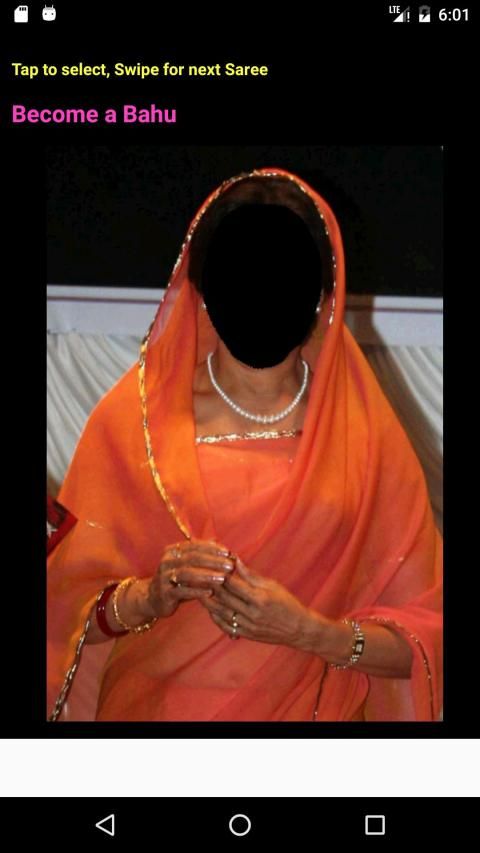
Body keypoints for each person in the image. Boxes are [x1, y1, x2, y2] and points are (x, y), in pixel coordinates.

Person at [47, 167, 442, 722]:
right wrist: (151, 595)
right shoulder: (134, 421)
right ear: (203, 289)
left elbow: (424, 639)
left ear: (324, 296)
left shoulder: (365, 440)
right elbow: (64, 610)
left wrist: (309, 632)